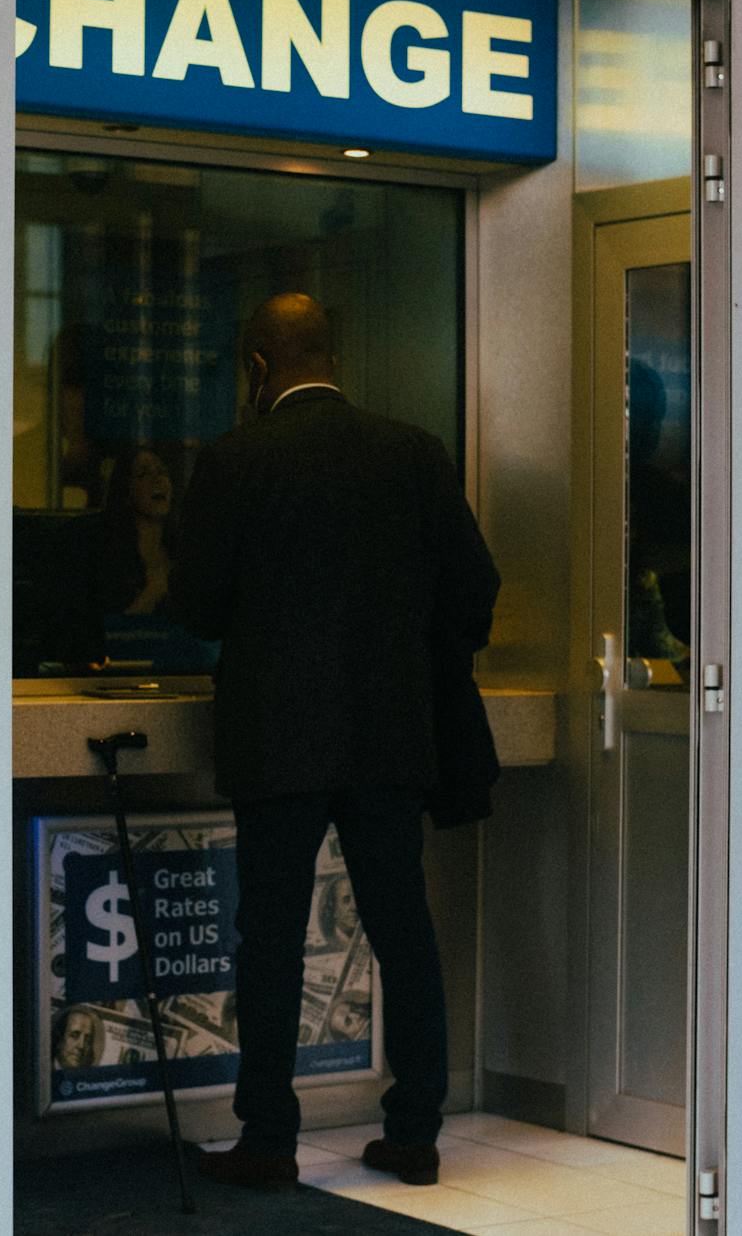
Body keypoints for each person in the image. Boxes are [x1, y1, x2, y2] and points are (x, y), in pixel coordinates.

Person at [171, 293, 499, 1191]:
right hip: (391, 735)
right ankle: (415, 1132)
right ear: (332, 357)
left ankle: (270, 1139)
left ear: (256, 368)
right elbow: (475, 589)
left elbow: (195, 605)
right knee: (404, 928)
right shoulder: (413, 453)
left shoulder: (234, 461)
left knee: (271, 937)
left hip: (277, 741)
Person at [93, 447, 176, 616]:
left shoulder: (184, 548)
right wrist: (152, 593)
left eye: (162, 472)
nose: (158, 479)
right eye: (143, 474)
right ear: (125, 490)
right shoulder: (104, 553)